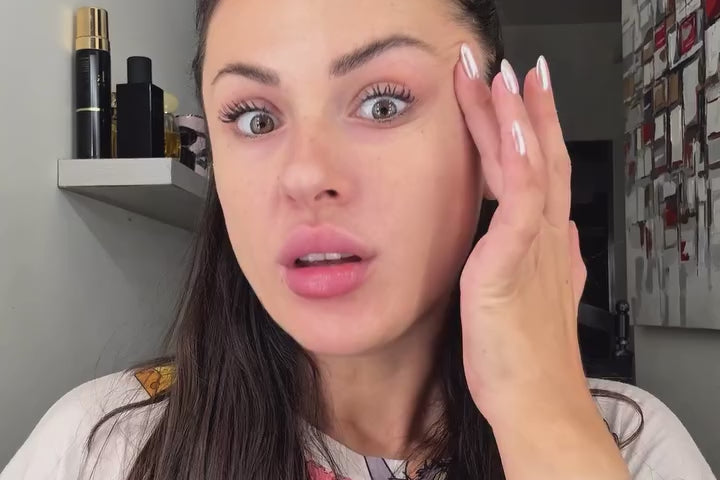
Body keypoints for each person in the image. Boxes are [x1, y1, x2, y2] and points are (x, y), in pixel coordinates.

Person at [1, 0, 715, 479]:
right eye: (254, 118)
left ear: (496, 135)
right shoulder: (102, 447)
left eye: (382, 103)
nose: (306, 175)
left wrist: (543, 415)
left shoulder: (626, 445)